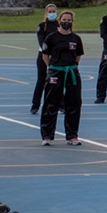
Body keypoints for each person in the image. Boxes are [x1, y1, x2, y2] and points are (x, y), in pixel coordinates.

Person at [39, 11, 85, 146]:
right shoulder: (51, 38)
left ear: (72, 22)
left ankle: (72, 136)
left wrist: (72, 66)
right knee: (51, 103)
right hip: (55, 73)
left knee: (74, 104)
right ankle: (47, 136)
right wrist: (53, 68)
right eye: (64, 19)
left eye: (69, 20)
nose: (66, 22)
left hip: (71, 73)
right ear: (59, 21)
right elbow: (45, 55)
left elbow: (78, 56)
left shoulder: (76, 39)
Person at [31, 4, 58, 115]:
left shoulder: (59, 25)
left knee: (57, 81)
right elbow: (42, 42)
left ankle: (60, 105)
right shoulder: (42, 26)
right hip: (43, 56)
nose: (52, 13)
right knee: (41, 80)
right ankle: (35, 105)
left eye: (53, 11)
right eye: (50, 11)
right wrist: (48, 53)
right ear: (46, 13)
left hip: (56, 56)